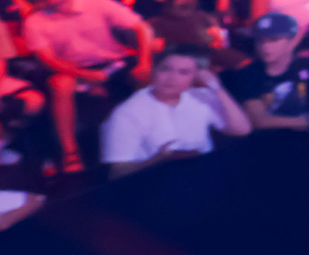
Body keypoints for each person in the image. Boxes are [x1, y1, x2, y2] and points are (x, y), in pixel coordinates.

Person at [21, 0, 154, 172]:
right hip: (71, 67)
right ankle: (70, 150)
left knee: (147, 73)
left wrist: (145, 62)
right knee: (60, 84)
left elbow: (142, 28)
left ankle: (150, 133)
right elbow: (49, 59)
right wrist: (85, 74)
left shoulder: (98, 4)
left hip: (111, 61)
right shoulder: (35, 21)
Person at [99, 47, 251, 174]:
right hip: (156, 186)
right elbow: (117, 172)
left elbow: (241, 129)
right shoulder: (127, 113)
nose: (172, 78)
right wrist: (158, 160)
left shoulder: (200, 97)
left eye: (183, 72)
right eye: (165, 70)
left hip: (204, 176)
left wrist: (216, 87)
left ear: (195, 77)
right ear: (154, 71)